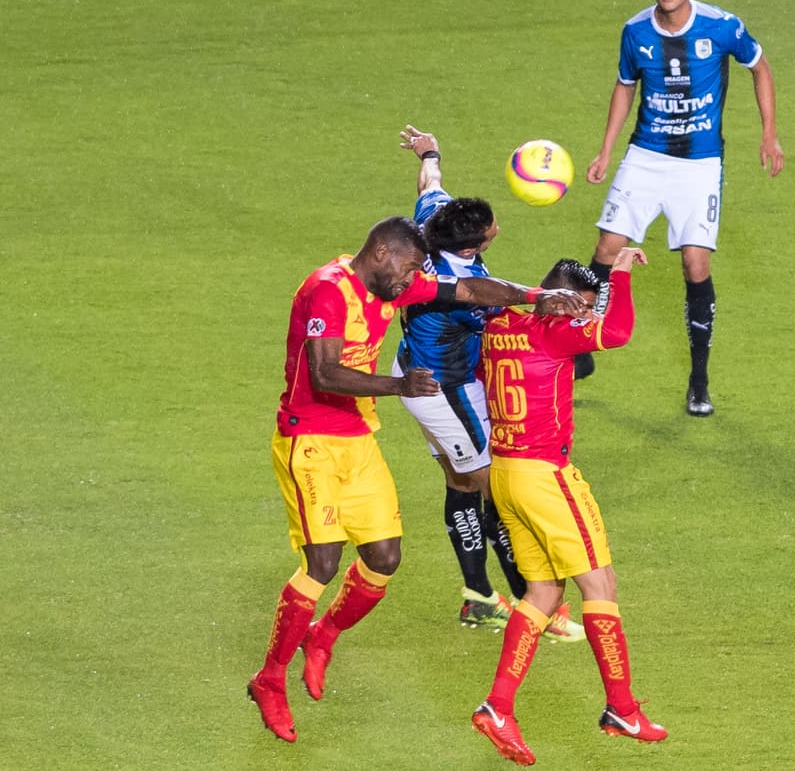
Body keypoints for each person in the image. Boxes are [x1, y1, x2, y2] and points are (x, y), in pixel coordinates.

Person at [248, 216, 590, 743]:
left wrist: (535, 296)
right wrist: (399, 383)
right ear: (381, 253)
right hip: (308, 442)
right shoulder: (327, 290)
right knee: (322, 562)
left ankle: (323, 636)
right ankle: (269, 678)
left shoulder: (393, 282)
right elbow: (323, 372)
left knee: (384, 558)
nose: (412, 283)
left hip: (358, 438)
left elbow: (470, 287)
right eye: (408, 270)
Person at [470, 248, 668, 766]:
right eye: (579, 306)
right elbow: (618, 332)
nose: (583, 317)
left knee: (541, 592)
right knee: (599, 584)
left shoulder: (498, 324)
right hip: (543, 475)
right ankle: (622, 709)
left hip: (504, 472)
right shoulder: (551, 331)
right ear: (558, 298)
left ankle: (498, 708)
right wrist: (618, 274)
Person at [578, 0, 786, 416]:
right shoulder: (635, 31)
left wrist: (769, 134)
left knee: (696, 264)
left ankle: (698, 380)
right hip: (646, 157)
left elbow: (761, 66)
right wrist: (607, 151)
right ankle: (582, 348)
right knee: (607, 248)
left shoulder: (722, 26)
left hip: (699, 164)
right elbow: (625, 87)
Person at [392, 125, 584, 642]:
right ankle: (536, 605)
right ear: (475, 241)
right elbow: (493, 301)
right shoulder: (450, 289)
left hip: (426, 371)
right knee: (497, 490)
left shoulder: (436, 220)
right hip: (444, 389)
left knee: (460, 481)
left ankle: (478, 598)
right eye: (493, 229)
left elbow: (428, 183)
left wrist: (428, 150)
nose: (497, 227)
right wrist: (550, 304)